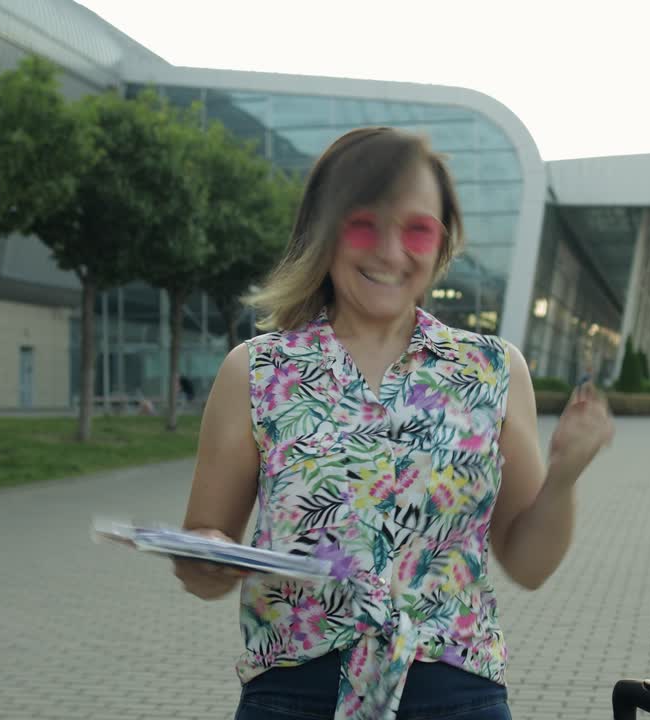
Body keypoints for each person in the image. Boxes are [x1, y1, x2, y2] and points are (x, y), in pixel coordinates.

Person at [174, 127, 615, 720]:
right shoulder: (256, 371)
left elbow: (528, 564)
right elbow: (209, 558)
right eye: (363, 224)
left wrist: (563, 477)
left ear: (441, 243)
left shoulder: (491, 370)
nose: (389, 251)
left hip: (457, 699)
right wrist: (203, 556)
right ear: (323, 232)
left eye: (416, 229)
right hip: (293, 701)